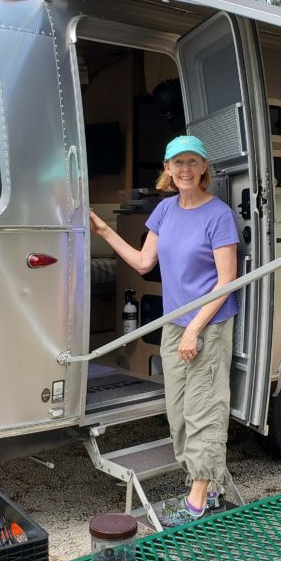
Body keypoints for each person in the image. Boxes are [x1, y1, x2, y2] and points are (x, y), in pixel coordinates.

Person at [89, 135, 239, 527]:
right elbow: (143, 262)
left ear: (204, 167)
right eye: (178, 163)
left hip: (209, 325)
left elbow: (227, 281)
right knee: (178, 413)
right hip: (175, 324)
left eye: (192, 162)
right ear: (167, 169)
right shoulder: (165, 210)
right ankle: (210, 486)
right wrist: (103, 230)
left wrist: (195, 329)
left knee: (204, 409)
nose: (185, 169)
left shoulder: (219, 215)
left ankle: (197, 502)